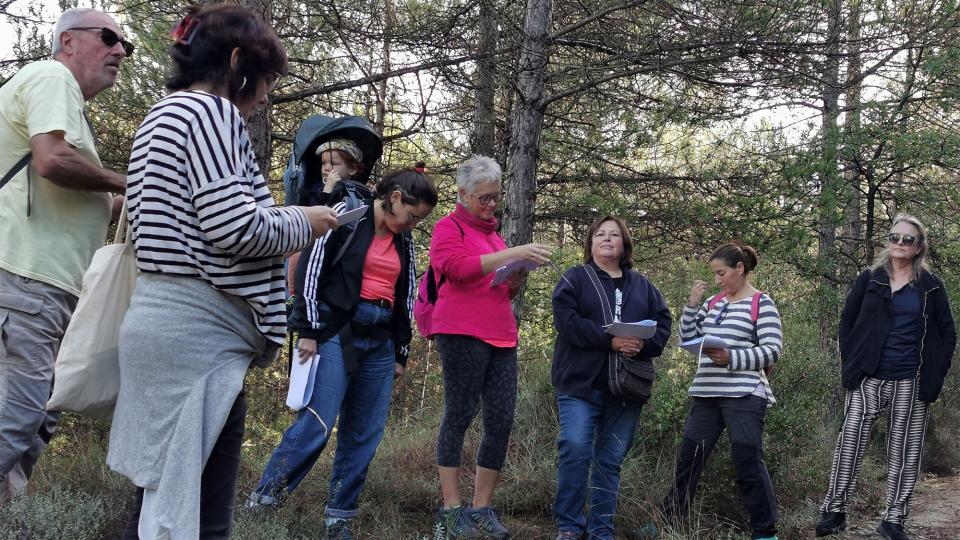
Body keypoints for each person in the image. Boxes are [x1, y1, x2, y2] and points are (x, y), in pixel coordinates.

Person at [105, 5, 339, 538]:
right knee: (199, 519)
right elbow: (235, 229)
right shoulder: (212, 113)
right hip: (198, 341)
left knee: (162, 504)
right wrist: (308, 221)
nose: (261, 100)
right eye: (264, 82)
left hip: (167, 328)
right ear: (237, 62)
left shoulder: (163, 115)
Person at [247, 168, 437, 539]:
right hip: (336, 332)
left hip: (380, 341)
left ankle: (339, 516)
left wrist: (401, 349)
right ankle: (265, 500)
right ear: (396, 197)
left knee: (364, 432)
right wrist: (308, 330)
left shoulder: (404, 240)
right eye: (412, 216)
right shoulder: (348, 216)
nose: (413, 225)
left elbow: (406, 290)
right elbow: (311, 270)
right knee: (317, 421)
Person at [0, 7, 130, 503]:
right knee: (19, 418)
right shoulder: (52, 75)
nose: (120, 51)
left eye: (125, 45)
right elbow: (51, 161)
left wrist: (125, 197)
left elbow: (81, 187)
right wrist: (129, 181)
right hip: (24, 280)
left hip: (49, 291)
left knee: (35, 423)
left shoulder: (71, 109)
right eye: (109, 38)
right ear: (68, 41)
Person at [428, 155, 552, 539]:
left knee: (500, 420)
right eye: (483, 198)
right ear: (463, 194)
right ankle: (451, 509)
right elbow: (460, 270)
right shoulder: (448, 228)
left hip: (501, 334)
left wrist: (513, 278)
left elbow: (493, 279)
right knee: (460, 414)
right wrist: (514, 253)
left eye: (495, 197)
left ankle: (482, 507)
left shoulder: (493, 234)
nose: (491, 204)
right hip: (461, 331)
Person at [815, 214, 955, 540]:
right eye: (895, 237)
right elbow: (847, 323)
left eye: (908, 239)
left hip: (912, 379)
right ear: (888, 241)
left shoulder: (931, 287)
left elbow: (947, 334)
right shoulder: (870, 279)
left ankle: (893, 519)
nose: (899, 243)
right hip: (867, 376)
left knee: (905, 451)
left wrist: (933, 378)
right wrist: (850, 366)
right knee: (849, 444)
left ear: (919, 246)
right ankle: (835, 511)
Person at [643, 242, 783, 540]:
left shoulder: (762, 303)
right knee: (689, 459)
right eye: (715, 274)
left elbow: (772, 350)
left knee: (747, 459)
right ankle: (670, 522)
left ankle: (765, 532)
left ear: (740, 269)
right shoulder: (714, 303)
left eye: (721, 273)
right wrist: (693, 305)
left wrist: (733, 358)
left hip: (745, 393)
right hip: (706, 392)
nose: (717, 280)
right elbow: (689, 339)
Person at [551, 216, 672, 540]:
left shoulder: (643, 286)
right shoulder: (575, 279)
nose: (607, 239)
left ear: (624, 245)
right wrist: (610, 341)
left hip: (626, 389)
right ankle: (569, 526)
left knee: (610, 459)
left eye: (614, 235)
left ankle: (601, 530)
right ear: (590, 243)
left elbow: (662, 324)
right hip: (579, 384)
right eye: (600, 234)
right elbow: (566, 320)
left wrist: (643, 344)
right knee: (575, 448)